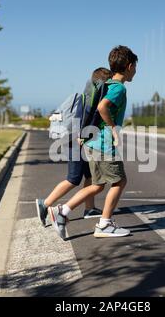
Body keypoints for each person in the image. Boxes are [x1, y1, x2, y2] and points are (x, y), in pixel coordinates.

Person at [48, 45, 138, 240]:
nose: (135, 71)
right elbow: (102, 107)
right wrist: (114, 128)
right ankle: (104, 224)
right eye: (135, 67)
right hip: (104, 144)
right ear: (129, 66)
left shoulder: (105, 85)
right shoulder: (119, 88)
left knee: (97, 185)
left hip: (92, 142)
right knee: (120, 181)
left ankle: (61, 211)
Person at [36, 68, 113, 227]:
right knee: (73, 178)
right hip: (74, 141)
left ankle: (89, 209)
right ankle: (44, 204)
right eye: (109, 83)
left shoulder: (87, 96)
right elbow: (83, 121)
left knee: (90, 176)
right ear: (102, 83)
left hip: (76, 140)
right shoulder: (91, 99)